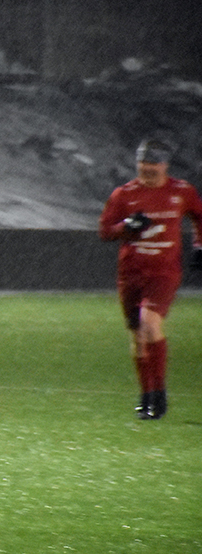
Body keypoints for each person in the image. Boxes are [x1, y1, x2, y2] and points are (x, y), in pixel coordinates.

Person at [98, 138, 202, 419]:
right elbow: (105, 231)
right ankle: (146, 396)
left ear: (165, 165)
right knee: (137, 336)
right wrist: (126, 226)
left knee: (150, 324)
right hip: (131, 274)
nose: (148, 168)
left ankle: (159, 394)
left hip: (164, 273)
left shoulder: (182, 192)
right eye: (143, 163)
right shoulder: (124, 194)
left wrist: (199, 245)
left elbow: (199, 216)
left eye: (154, 163)